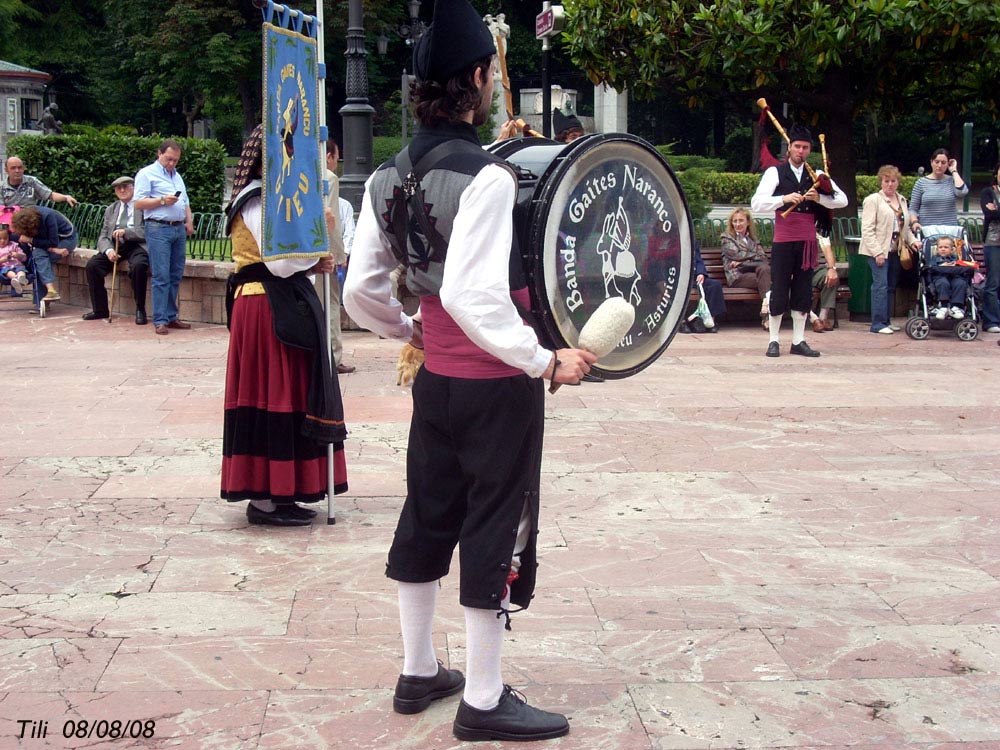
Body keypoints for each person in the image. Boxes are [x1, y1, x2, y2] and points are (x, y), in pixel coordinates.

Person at [343, 0, 594, 740]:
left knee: (429, 512)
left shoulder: (384, 175)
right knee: (494, 523)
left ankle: (418, 671)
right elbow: (475, 296)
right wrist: (545, 360)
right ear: (480, 78)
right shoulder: (486, 177)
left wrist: (409, 329)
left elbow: (361, 291)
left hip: (436, 382)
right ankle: (483, 699)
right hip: (494, 387)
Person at [221, 125, 348, 527]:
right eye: (289, 151)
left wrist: (313, 257)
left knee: (288, 394)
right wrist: (315, 248)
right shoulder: (256, 199)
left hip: (278, 302)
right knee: (270, 395)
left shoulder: (272, 197)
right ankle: (265, 499)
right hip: (264, 304)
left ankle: (284, 491)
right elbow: (278, 262)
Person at [750, 125, 846, 358]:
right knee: (779, 288)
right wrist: (783, 198)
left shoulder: (817, 175)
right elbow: (756, 203)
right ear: (789, 148)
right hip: (783, 240)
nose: (801, 151)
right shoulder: (775, 173)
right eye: (797, 146)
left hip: (807, 242)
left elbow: (842, 200)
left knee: (803, 290)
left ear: (809, 150)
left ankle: (798, 341)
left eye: (805, 147)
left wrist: (820, 198)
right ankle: (773, 340)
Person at [133, 139, 194, 335]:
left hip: (178, 228)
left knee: (175, 274)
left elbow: (185, 201)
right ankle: (160, 319)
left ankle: (171, 315)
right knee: (161, 275)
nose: (172, 163)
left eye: (175, 160)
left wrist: (189, 221)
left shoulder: (177, 176)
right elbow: (138, 202)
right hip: (158, 228)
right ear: (159, 154)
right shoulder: (146, 174)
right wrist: (161, 200)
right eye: (168, 159)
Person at [859, 165, 921, 335]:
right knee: (880, 285)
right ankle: (877, 323)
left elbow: (905, 227)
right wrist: (877, 252)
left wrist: (914, 241)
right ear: (881, 182)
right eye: (886, 181)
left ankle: (886, 321)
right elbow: (867, 229)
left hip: (896, 250)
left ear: (898, 182)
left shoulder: (901, 200)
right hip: (878, 250)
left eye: (893, 181)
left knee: (891, 286)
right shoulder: (873, 200)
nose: (890, 184)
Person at [314, 139, 356, 374]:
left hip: (298, 252)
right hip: (323, 253)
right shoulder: (328, 178)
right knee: (330, 303)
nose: (336, 164)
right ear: (328, 156)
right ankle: (333, 355)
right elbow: (331, 222)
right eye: (336, 158)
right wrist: (338, 255)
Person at [83, 176, 149, 324]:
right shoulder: (111, 209)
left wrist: (127, 232)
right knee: (93, 266)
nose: (122, 190)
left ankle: (140, 309)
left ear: (134, 188)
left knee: (138, 266)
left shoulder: (142, 206)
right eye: (118, 188)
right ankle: (100, 310)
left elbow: (148, 231)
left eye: (126, 187)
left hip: (138, 245)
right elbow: (103, 235)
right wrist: (108, 250)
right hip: (117, 244)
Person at [10, 206, 77, 302]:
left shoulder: (48, 217)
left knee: (39, 256)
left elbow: (53, 242)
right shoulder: (23, 217)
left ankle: (43, 298)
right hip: (47, 242)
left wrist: (31, 240)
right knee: (36, 256)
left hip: (66, 239)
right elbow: (14, 236)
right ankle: (45, 297)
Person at [719, 207, 771, 325]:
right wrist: (751, 257)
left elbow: (763, 258)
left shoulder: (753, 239)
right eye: (735, 221)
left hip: (755, 275)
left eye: (741, 220)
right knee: (769, 280)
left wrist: (743, 262)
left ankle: (766, 308)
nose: (738, 224)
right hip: (737, 277)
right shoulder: (726, 238)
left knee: (765, 269)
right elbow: (737, 255)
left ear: (748, 222)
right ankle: (768, 315)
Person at [909, 148, 968, 233]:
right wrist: (915, 222)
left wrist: (954, 171)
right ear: (931, 162)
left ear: (948, 164)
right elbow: (913, 209)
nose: (939, 165)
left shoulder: (952, 181)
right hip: (927, 231)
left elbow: (962, 192)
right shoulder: (921, 183)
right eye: (937, 162)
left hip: (949, 232)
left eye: (943, 163)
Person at [680, 240, 725, 333]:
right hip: (679, 279)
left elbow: (698, 260)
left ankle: (710, 322)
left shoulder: (692, 241)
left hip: (694, 278)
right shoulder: (672, 240)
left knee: (715, 285)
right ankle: (682, 322)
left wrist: (701, 273)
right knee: (680, 290)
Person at [0, 156, 78, 208]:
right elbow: (1, 210)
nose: (17, 171)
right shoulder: (1, 187)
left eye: (20, 168)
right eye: (13, 168)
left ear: (23, 169)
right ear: (6, 170)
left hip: (30, 218)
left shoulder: (31, 181)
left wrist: (66, 197)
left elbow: (50, 195)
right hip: (10, 220)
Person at [927, 235, 970, 320]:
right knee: (943, 283)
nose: (943, 249)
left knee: (960, 283)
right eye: (940, 247)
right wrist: (940, 266)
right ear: (937, 249)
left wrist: (955, 265)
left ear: (952, 250)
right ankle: (944, 306)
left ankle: (956, 307)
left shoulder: (956, 259)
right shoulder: (934, 259)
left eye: (946, 247)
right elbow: (929, 268)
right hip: (940, 278)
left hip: (954, 278)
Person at [980, 163, 1000, 333]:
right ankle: (991, 321)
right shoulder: (988, 192)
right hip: (993, 243)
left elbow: (995, 213)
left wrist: (997, 209)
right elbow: (989, 214)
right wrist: (994, 211)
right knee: (993, 282)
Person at [0, 225, 29, 295]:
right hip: (5, 267)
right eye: (0, 238)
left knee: (21, 270)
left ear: (9, 237)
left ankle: (20, 278)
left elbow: (24, 258)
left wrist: (18, 255)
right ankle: (16, 278)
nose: (2, 241)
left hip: (18, 265)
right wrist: (2, 260)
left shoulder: (14, 245)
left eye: (5, 238)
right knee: (7, 271)